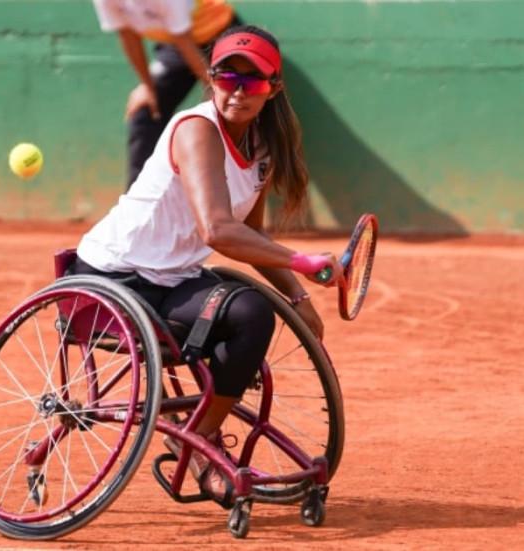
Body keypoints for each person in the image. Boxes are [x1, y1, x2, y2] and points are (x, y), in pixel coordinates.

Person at [72, 25, 343, 497]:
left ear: (273, 88)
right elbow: (217, 230)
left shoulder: (262, 147)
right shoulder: (196, 130)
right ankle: (200, 444)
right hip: (111, 281)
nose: (238, 91)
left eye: (252, 81)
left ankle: (197, 434)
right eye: (226, 77)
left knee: (250, 312)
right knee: (249, 313)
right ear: (211, 79)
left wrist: (296, 294)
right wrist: (303, 262)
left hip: (170, 280)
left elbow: (252, 233)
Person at [91, 0, 244, 190]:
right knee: (144, 109)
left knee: (236, 110)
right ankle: (138, 204)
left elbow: (184, 40)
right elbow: (127, 36)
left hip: (222, 36)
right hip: (177, 45)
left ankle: (238, 196)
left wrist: (216, 89)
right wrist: (148, 87)